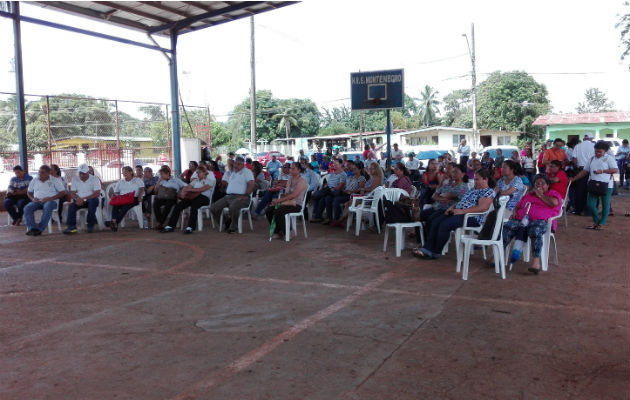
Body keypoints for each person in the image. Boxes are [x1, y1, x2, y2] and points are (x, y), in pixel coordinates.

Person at [412, 169, 496, 259]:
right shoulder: (473, 189)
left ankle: (435, 252)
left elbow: (482, 208)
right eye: (475, 179)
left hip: (472, 217)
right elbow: (463, 201)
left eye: (477, 179)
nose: (475, 181)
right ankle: (428, 249)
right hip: (459, 212)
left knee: (444, 225)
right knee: (436, 221)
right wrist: (452, 207)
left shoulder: (488, 192)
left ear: (485, 179)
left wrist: (462, 211)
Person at [502, 174, 563, 274]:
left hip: (543, 222)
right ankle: (497, 255)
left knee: (535, 230)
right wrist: (515, 211)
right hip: (523, 220)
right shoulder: (529, 195)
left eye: (542, 183)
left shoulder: (552, 193)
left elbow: (554, 203)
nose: (539, 186)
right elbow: (519, 205)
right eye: (537, 184)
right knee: (508, 226)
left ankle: (536, 262)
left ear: (548, 185)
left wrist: (540, 195)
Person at [414, 164, 469, 246]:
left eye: (456, 172)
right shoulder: (448, 184)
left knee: (431, 219)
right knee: (419, 216)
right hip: (437, 207)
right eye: (453, 172)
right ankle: (421, 240)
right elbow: (434, 196)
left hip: (446, 210)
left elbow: (456, 199)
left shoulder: (463, 187)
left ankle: (429, 243)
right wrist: (444, 198)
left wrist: (444, 197)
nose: (453, 174)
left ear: (463, 174)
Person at [571, 141, 618, 230]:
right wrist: (574, 179)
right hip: (593, 184)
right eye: (596, 151)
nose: (597, 153)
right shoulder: (592, 159)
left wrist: (603, 171)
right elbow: (585, 171)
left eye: (600, 152)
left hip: (606, 185)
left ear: (605, 151)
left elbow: (615, 170)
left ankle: (602, 223)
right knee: (590, 204)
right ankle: (596, 221)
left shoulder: (609, 158)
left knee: (605, 204)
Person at [162, 165, 215, 234]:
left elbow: (201, 189)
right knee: (178, 206)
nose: (197, 174)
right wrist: (184, 191)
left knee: (194, 206)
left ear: (204, 172)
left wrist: (190, 190)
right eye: (197, 172)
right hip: (193, 196)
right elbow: (186, 187)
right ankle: (170, 226)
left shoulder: (210, 181)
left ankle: (190, 227)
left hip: (204, 198)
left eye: (199, 172)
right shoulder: (195, 181)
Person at [210, 156, 255, 233]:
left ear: (243, 165)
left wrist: (246, 195)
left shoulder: (247, 172)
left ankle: (234, 227)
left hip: (242, 197)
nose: (235, 166)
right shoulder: (233, 172)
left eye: (238, 164)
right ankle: (226, 222)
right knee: (214, 208)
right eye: (235, 164)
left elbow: (251, 184)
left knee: (234, 206)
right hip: (229, 196)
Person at [266, 162, 308, 239]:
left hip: (296, 205)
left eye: (293, 168)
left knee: (278, 211)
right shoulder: (290, 179)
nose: (290, 170)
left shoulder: (302, 181)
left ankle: (290, 231)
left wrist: (279, 201)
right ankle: (278, 231)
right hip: (287, 203)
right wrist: (278, 201)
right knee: (269, 210)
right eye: (290, 168)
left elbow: (294, 195)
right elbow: (287, 194)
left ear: (298, 170)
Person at [23, 165, 66, 236]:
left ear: (48, 173)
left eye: (42, 172)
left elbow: (62, 192)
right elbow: (29, 192)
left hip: (51, 201)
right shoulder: (35, 180)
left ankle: (40, 229)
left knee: (48, 206)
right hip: (37, 201)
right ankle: (32, 229)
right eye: (39, 172)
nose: (40, 174)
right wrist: (32, 198)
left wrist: (50, 198)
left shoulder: (55, 180)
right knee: (27, 208)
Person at [63, 164, 101, 234]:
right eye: (80, 173)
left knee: (93, 202)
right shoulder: (75, 179)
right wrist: (77, 199)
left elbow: (97, 193)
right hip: (79, 200)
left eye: (83, 174)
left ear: (88, 172)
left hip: (91, 199)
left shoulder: (95, 179)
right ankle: (71, 228)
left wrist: (83, 199)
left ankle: (90, 225)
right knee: (71, 206)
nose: (81, 175)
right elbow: (72, 192)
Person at [330, 161, 366, 227]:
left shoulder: (361, 178)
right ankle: (338, 220)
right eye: (353, 168)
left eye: (355, 169)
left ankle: (337, 219)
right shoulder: (351, 177)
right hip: (346, 193)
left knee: (336, 199)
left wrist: (349, 191)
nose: (353, 170)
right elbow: (345, 186)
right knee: (332, 196)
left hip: (352, 196)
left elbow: (360, 190)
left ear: (360, 170)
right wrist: (344, 190)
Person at [311, 158, 346, 224]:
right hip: (328, 190)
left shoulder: (343, 174)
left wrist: (332, 188)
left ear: (341, 164)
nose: (334, 165)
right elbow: (328, 183)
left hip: (335, 191)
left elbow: (340, 186)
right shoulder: (332, 173)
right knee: (322, 198)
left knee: (319, 197)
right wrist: (325, 186)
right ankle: (320, 217)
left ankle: (321, 217)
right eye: (334, 164)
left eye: (336, 164)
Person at [110, 166, 145, 232]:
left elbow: (142, 188)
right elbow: (116, 191)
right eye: (123, 173)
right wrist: (116, 196)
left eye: (126, 172)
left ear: (131, 172)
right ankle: (114, 221)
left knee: (125, 207)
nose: (124, 174)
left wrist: (140, 196)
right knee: (115, 205)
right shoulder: (121, 181)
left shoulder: (137, 180)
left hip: (134, 198)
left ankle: (115, 222)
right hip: (123, 198)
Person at [153, 166, 186, 230]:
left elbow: (184, 186)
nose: (161, 175)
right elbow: (155, 191)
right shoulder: (161, 180)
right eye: (160, 174)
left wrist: (181, 192)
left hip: (172, 197)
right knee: (156, 203)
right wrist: (159, 181)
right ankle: (160, 222)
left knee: (168, 204)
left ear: (167, 173)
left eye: (162, 174)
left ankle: (160, 222)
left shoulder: (176, 180)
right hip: (162, 197)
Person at [571, 132, 596, 215]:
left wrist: (577, 168)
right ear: (591, 138)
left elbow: (574, 159)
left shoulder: (578, 146)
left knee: (579, 191)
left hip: (580, 170)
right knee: (590, 191)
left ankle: (578, 210)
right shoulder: (594, 146)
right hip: (591, 171)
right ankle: (588, 211)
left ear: (584, 138)